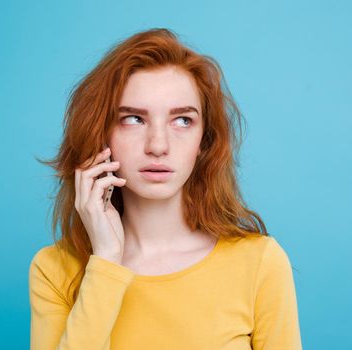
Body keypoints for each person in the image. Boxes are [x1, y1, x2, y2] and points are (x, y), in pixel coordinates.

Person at [29, 28, 302, 349]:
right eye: (133, 119)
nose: (158, 145)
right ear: (101, 136)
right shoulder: (54, 271)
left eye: (183, 120)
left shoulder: (260, 263)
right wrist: (105, 262)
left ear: (205, 141)